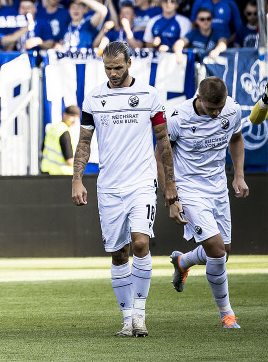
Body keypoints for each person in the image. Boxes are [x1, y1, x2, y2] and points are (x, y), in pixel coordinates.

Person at [71, 41, 178, 338]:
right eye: (108, 68)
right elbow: (83, 143)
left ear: (130, 63)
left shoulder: (149, 96)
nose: (113, 73)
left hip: (142, 182)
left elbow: (163, 141)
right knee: (119, 253)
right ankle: (127, 319)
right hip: (109, 187)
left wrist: (170, 182)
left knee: (141, 244)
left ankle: (140, 316)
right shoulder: (93, 98)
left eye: (118, 67)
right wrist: (77, 179)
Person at [166, 78, 250, 329]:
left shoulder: (232, 109)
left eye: (220, 108)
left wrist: (238, 175)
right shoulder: (177, 117)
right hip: (189, 188)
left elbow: (236, 138)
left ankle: (184, 261)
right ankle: (227, 314)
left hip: (218, 187)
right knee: (216, 251)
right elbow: (162, 155)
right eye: (212, 108)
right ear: (199, 98)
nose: (216, 113)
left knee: (224, 252)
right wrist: (171, 195)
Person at [41, 105, 80, 176]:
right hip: (62, 174)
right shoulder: (64, 132)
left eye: (76, 117)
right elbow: (69, 159)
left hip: (46, 171)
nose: (74, 120)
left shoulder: (53, 129)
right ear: (64, 115)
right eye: (72, 116)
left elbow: (42, 150)